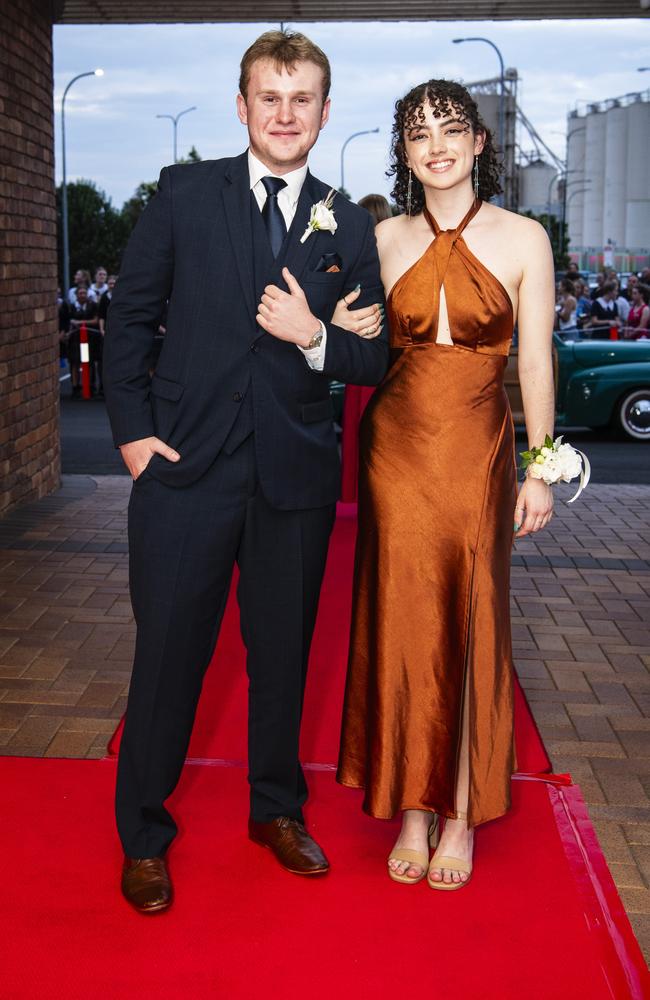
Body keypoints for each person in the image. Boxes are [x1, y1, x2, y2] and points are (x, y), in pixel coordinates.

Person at [103, 29, 388, 915]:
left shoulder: (348, 222)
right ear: (242, 106)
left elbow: (372, 361)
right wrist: (134, 436)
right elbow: (129, 319)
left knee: (283, 658)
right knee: (168, 660)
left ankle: (276, 810)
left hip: (293, 478)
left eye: (302, 99)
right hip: (183, 470)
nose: (285, 113)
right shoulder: (186, 193)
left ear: (325, 112)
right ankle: (144, 836)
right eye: (270, 96)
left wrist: (313, 336)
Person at [335, 78, 555, 890]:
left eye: (451, 128)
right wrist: (341, 326)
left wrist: (540, 463)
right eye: (419, 132)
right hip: (396, 448)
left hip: (480, 444)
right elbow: (357, 343)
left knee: (472, 613)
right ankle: (413, 805)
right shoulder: (381, 235)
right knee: (402, 615)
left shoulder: (525, 236)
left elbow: (534, 358)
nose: (436, 144)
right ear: (404, 151)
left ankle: (460, 809)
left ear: (480, 143)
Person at [340, 193, 392, 501]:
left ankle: (355, 494)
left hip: (359, 358)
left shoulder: (353, 256)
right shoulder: (397, 253)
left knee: (358, 435)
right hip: (390, 360)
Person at [67, 285, 99, 397]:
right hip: (75, 340)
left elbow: (95, 321)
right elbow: (68, 321)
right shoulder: (71, 307)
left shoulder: (93, 306)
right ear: (76, 295)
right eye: (80, 293)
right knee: (75, 363)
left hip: (89, 339)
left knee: (89, 362)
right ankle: (75, 387)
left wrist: (80, 323)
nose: (82, 295)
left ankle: (90, 385)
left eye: (84, 293)